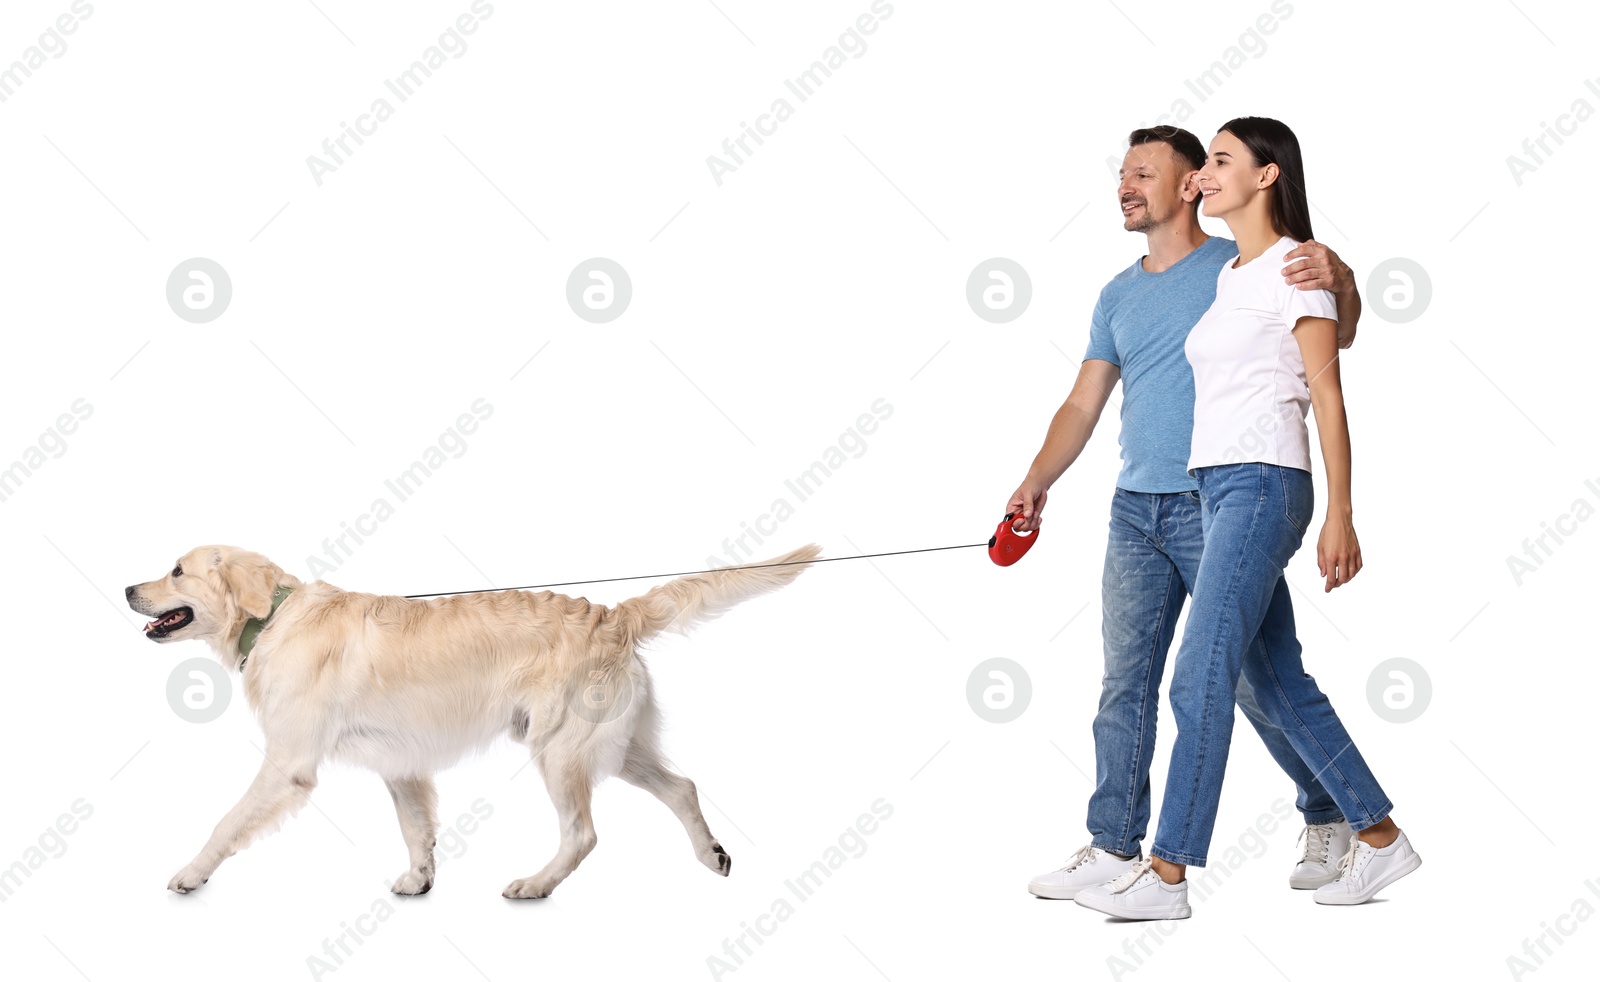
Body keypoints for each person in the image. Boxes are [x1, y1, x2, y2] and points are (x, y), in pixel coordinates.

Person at [1073, 117, 1420, 920]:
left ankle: (1166, 874)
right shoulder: (1232, 275)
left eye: (1221, 161)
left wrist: (1343, 513)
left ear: (1267, 176)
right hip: (1216, 488)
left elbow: (1329, 395)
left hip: (1265, 485)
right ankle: (1377, 835)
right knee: (1275, 678)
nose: (1205, 175)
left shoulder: (1298, 270)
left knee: (1200, 677)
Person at [1017, 125, 1363, 903]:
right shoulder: (1117, 294)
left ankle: (1329, 810)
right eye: (1122, 173)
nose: (1125, 185)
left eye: (1145, 172)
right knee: (1126, 684)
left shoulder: (1236, 264)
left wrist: (1342, 277)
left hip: (1222, 497)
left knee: (1251, 682)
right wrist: (1037, 479)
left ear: (1187, 188)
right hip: (1135, 506)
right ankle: (1114, 845)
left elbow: (1332, 339)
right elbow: (1083, 400)